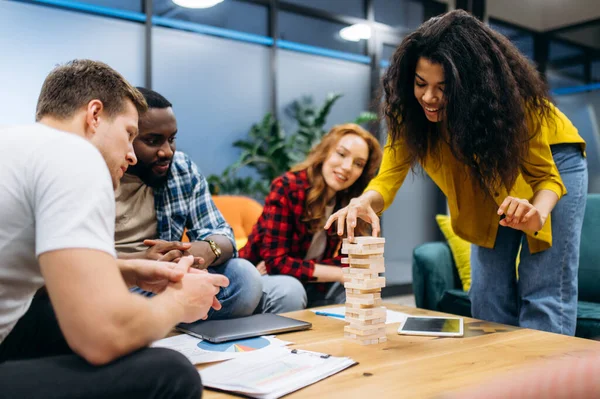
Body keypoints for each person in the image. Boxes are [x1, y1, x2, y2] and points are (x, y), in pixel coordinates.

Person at [326, 10, 587, 335]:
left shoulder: (512, 106)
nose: (430, 97)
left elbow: (546, 178)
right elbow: (388, 179)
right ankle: (495, 378)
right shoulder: (410, 111)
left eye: (443, 87)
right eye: (421, 84)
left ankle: (546, 383)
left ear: (473, 87)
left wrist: (538, 214)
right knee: (487, 293)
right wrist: (364, 201)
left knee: (542, 289)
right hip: (486, 179)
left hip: (553, 158)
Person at [0, 59, 228, 398]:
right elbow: (101, 338)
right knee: (172, 373)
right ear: (94, 115)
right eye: (129, 134)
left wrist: (129, 271)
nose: (132, 155)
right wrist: (179, 301)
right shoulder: (74, 156)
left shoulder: (17, 144)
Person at [115, 87, 263, 319]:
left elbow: (222, 234)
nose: (167, 152)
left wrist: (203, 250)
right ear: (128, 135)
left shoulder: (181, 168)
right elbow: (80, 265)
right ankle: (174, 323)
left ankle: (167, 324)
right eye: (153, 141)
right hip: (114, 285)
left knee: (244, 277)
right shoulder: (98, 170)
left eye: (171, 139)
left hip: (168, 282)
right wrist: (141, 263)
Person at [240, 124, 383, 309]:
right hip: (263, 280)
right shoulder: (287, 188)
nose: (347, 167)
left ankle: (342, 336)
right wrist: (337, 273)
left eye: (358, 164)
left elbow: (353, 259)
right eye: (341, 154)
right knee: (292, 290)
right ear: (325, 152)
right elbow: (276, 262)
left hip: (308, 282)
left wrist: (301, 266)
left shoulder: (349, 201)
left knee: (365, 275)